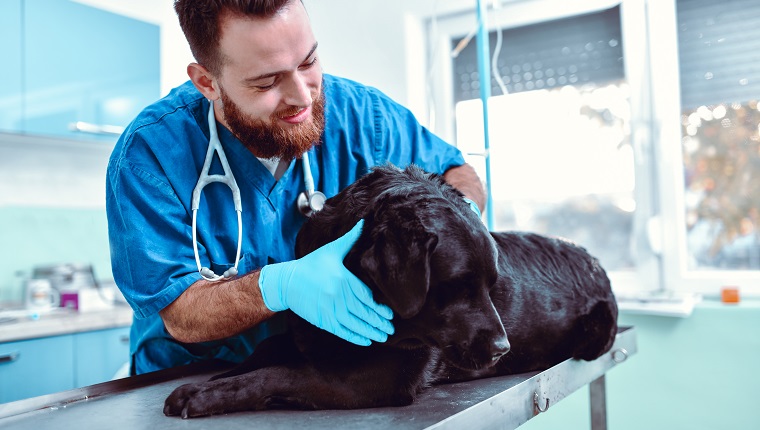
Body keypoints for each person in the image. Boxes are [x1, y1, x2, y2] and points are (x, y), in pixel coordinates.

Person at [106, 0, 486, 375]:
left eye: (308, 63)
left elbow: (456, 171)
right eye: (267, 81)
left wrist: (461, 221)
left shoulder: (364, 118)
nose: (303, 96)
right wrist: (279, 286)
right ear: (208, 82)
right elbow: (183, 315)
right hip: (190, 378)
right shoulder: (149, 156)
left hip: (320, 374)